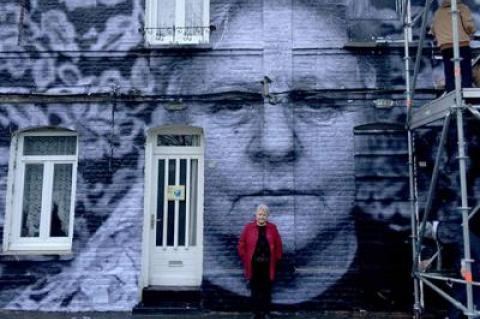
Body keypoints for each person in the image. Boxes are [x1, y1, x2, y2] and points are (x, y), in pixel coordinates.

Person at [238, 204, 283, 319]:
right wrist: (245, 256)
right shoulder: (249, 227)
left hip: (268, 265)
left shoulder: (272, 228)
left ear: (267, 216)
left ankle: (266, 312)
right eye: (259, 214)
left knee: (266, 290)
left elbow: (278, 244)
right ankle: (256, 313)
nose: (261, 217)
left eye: (264, 214)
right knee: (255, 289)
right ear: (256, 215)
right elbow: (241, 244)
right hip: (254, 265)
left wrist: (277, 258)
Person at [430, 0, 476, 92]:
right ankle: (466, 92)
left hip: (445, 46)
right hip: (461, 43)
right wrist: (471, 32)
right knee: (465, 71)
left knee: (449, 72)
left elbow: (433, 30)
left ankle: (450, 92)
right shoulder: (462, 8)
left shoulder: (438, 12)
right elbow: (469, 26)